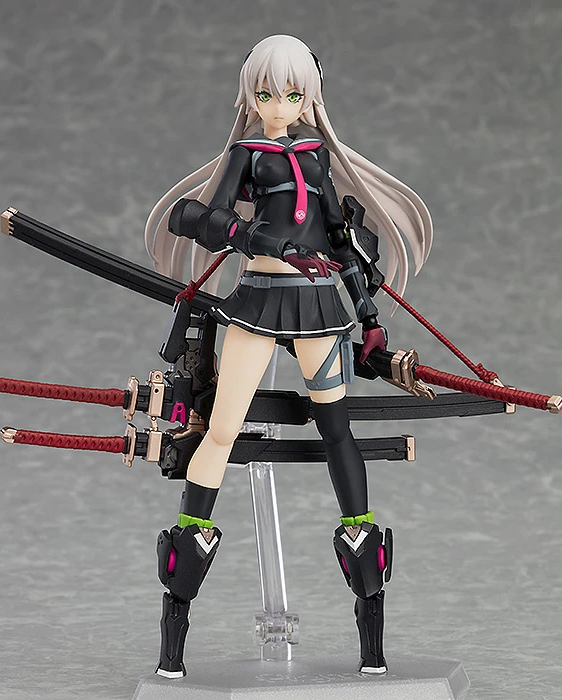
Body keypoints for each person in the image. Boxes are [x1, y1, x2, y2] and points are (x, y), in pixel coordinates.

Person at [144, 34, 433, 679]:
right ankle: (176, 621)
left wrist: (367, 307)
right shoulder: (246, 155)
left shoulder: (315, 155)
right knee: (221, 430)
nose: (279, 105)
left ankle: (371, 634)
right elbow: (201, 219)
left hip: (320, 307)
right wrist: (259, 238)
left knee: (337, 430)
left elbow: (337, 234)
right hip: (259, 299)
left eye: (293, 94)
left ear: (310, 97)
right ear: (250, 96)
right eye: (267, 93)